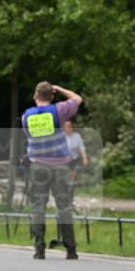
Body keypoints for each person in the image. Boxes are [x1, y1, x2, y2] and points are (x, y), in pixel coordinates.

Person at [21, 81, 83, 260]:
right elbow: (77, 99)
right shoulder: (60, 110)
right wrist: (60, 88)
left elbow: (28, 135)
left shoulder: (26, 116)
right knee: (64, 207)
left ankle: (39, 248)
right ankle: (71, 249)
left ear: (35, 96)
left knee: (38, 207)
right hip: (60, 165)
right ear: (52, 96)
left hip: (37, 165)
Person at [64, 119, 89, 187]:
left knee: (74, 171)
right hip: (64, 159)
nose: (69, 128)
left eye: (70, 126)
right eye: (67, 126)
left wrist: (85, 158)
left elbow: (81, 148)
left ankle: (71, 186)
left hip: (75, 158)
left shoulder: (77, 136)